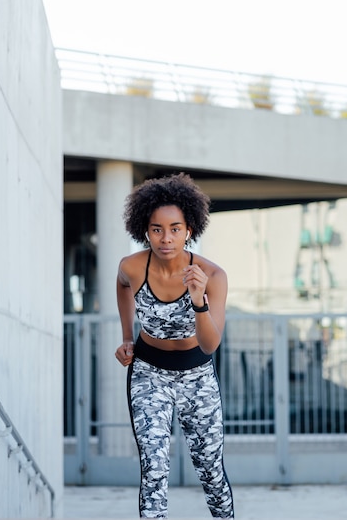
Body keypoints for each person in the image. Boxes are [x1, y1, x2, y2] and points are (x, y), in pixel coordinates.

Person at [115, 172, 234, 519]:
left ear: (190, 230)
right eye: (156, 229)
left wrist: (198, 301)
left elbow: (211, 345)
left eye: (175, 229)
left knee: (211, 473)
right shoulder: (132, 267)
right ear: (144, 230)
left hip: (197, 376)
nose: (165, 238)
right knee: (154, 470)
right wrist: (126, 336)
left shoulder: (212, 276)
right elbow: (122, 286)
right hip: (148, 375)